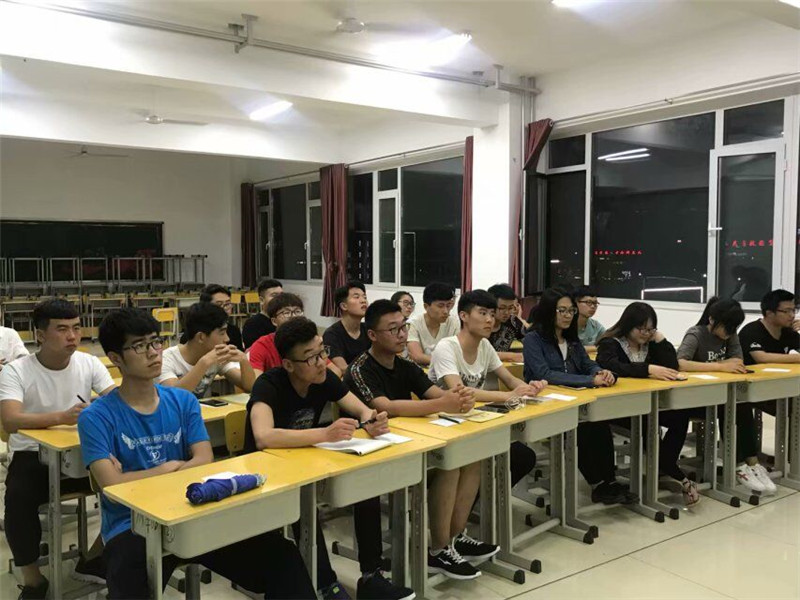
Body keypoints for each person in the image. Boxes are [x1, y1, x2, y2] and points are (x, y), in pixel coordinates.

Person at [77, 309, 315, 600]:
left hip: (192, 508)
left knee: (282, 555)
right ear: (115, 358)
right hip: (132, 525)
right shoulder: (96, 417)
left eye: (155, 342)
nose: (153, 352)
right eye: (139, 346)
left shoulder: (183, 400)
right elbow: (113, 486)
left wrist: (134, 476)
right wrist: (171, 467)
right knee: (129, 581)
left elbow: (203, 460)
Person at [244, 317, 414, 600]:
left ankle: (371, 575)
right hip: (265, 471)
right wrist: (324, 434)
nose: (322, 362)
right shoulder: (268, 384)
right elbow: (263, 436)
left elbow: (361, 410)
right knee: (303, 509)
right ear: (288, 365)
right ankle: (326, 584)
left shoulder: (324, 379)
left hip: (306, 460)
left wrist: (372, 421)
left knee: (365, 487)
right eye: (311, 358)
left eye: (322, 351)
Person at [346, 300, 503, 581]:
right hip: (372, 452)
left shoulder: (405, 365)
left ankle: (453, 538)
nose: (402, 335)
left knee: (465, 459)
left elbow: (434, 393)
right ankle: (437, 549)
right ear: (372, 335)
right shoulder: (359, 369)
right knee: (448, 465)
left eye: (404, 327)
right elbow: (385, 406)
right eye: (393, 329)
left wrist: (459, 398)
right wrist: (443, 403)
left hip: (411, 442)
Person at [0, 299, 115, 599]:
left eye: (76, 328)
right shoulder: (16, 371)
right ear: (40, 335)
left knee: (125, 486)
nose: (73, 336)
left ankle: (94, 558)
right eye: (62, 329)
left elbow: (115, 399)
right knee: (17, 499)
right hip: (32, 454)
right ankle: (34, 580)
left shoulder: (89, 362)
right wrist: (61, 417)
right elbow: (11, 420)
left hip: (81, 451)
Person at [523, 288, 637, 505]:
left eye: (571, 311)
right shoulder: (533, 340)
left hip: (574, 402)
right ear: (549, 311)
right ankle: (598, 484)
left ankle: (609, 482)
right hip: (545, 405)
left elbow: (587, 364)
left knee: (599, 424)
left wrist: (600, 372)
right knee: (582, 430)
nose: (568, 316)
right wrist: (589, 380)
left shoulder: (572, 341)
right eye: (562, 311)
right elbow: (544, 374)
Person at [595, 302, 700, 506]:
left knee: (680, 416)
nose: (645, 333)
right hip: (620, 407)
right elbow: (611, 365)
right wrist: (648, 369)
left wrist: (660, 339)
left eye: (650, 329)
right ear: (628, 325)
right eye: (641, 328)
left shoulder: (650, 344)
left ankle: (665, 466)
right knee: (648, 426)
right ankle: (675, 472)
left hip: (649, 404)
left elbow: (672, 366)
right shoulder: (611, 343)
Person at [677, 297, 776, 494]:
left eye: (734, 328)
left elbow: (737, 360)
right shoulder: (696, 334)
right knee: (731, 407)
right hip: (694, 398)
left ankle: (752, 464)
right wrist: (720, 366)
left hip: (721, 395)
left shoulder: (730, 335)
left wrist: (728, 364)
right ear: (712, 320)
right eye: (727, 327)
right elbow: (681, 363)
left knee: (741, 404)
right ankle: (738, 464)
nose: (730, 333)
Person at [159, 302, 255, 398]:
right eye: (222, 333)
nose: (227, 339)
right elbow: (174, 397)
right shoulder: (166, 359)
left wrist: (243, 360)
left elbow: (250, 387)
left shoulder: (218, 357)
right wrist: (205, 362)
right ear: (201, 337)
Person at [247, 293, 341, 377]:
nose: (294, 316)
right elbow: (256, 380)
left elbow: (336, 371)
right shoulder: (262, 345)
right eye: (286, 313)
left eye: (297, 311)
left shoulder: (310, 342)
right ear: (274, 321)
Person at [739, 289, 800, 365]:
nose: (792, 315)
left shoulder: (787, 331)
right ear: (769, 313)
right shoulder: (751, 331)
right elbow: (762, 358)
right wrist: (797, 358)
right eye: (786, 311)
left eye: (793, 310)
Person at [407, 282, 460, 366]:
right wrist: (447, 361)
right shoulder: (413, 324)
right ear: (426, 306)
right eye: (440, 306)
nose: (446, 311)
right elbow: (417, 356)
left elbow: (459, 355)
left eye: (448, 305)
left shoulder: (453, 322)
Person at [323, 281, 369, 372]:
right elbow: (343, 368)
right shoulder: (331, 335)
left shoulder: (369, 329)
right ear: (344, 306)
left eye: (365, 297)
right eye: (356, 297)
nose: (363, 301)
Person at [487, 283, 525, 362]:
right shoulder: (481, 324)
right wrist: (511, 356)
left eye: (510, 308)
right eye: (502, 308)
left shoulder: (513, 322)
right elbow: (477, 354)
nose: (507, 312)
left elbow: (531, 342)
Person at [199, 283, 244, 351]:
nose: (224, 309)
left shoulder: (234, 331)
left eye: (227, 304)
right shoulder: (196, 333)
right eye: (219, 305)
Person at [242, 278, 283, 350]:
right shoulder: (252, 324)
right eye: (274, 295)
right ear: (261, 300)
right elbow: (253, 351)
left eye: (282, 295)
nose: (280, 299)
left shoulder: (286, 320)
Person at [574, 286, 605, 352]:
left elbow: (607, 343)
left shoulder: (596, 326)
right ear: (576, 303)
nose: (593, 306)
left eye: (595, 303)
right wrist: (594, 348)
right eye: (589, 302)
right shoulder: (566, 323)